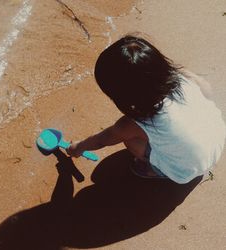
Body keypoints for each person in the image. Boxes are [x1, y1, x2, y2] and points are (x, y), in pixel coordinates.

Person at [66, 35, 226, 184]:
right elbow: (207, 89)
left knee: (131, 140)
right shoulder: (184, 77)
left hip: (185, 171)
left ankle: (154, 170)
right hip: (216, 140)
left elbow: (103, 139)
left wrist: (79, 147)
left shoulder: (136, 123)